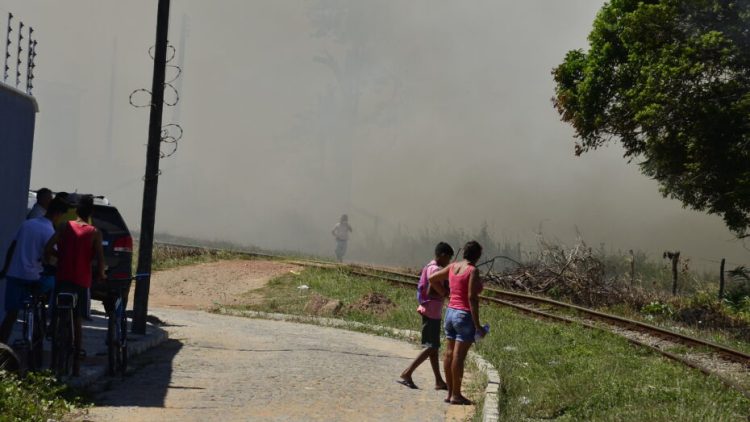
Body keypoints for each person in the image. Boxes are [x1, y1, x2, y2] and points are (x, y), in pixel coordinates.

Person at [44, 195, 106, 376]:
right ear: (91, 213)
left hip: (63, 278)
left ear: (76, 212)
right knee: (77, 320)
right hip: (81, 281)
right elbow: (100, 260)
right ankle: (77, 364)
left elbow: (48, 248)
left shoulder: (64, 226)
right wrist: (101, 275)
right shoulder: (94, 232)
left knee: (57, 314)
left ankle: (54, 359)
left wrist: (57, 257)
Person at [0, 197, 69, 343]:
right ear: (58, 214)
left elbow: (12, 247)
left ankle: (2, 345)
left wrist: (5, 269)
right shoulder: (49, 230)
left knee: (11, 314)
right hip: (34, 277)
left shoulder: (27, 224)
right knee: (51, 285)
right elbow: (53, 256)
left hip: (15, 274)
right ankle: (43, 318)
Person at [429, 240, 485, 405]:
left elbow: (432, 278)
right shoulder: (472, 271)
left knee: (449, 353)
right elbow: (472, 298)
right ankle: (456, 395)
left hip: (450, 313)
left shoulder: (453, 266)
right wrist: (478, 325)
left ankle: (450, 394)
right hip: (464, 316)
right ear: (478, 256)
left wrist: (445, 293)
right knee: (459, 356)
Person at [398, 242, 454, 390]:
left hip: (430, 309)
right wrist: (444, 293)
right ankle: (407, 372)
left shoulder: (429, 266)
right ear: (442, 256)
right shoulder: (434, 269)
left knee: (433, 349)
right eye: (448, 258)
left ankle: (439, 381)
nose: (448, 262)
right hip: (432, 310)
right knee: (431, 346)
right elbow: (433, 282)